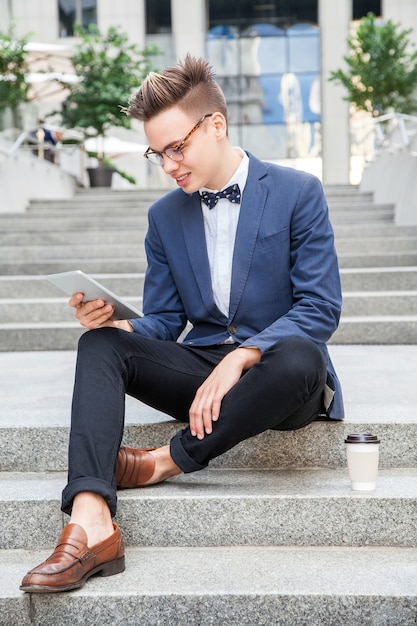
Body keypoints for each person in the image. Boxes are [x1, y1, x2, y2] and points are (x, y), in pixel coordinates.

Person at [20, 55, 343, 593]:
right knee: (99, 345)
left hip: (280, 380)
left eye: (177, 148)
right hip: (202, 376)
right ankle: (91, 520)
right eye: (158, 153)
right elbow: (167, 321)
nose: (168, 165)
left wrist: (245, 355)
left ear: (216, 125)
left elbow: (320, 307)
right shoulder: (164, 216)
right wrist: (119, 328)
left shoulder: (297, 192)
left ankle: (167, 461)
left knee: (300, 355)